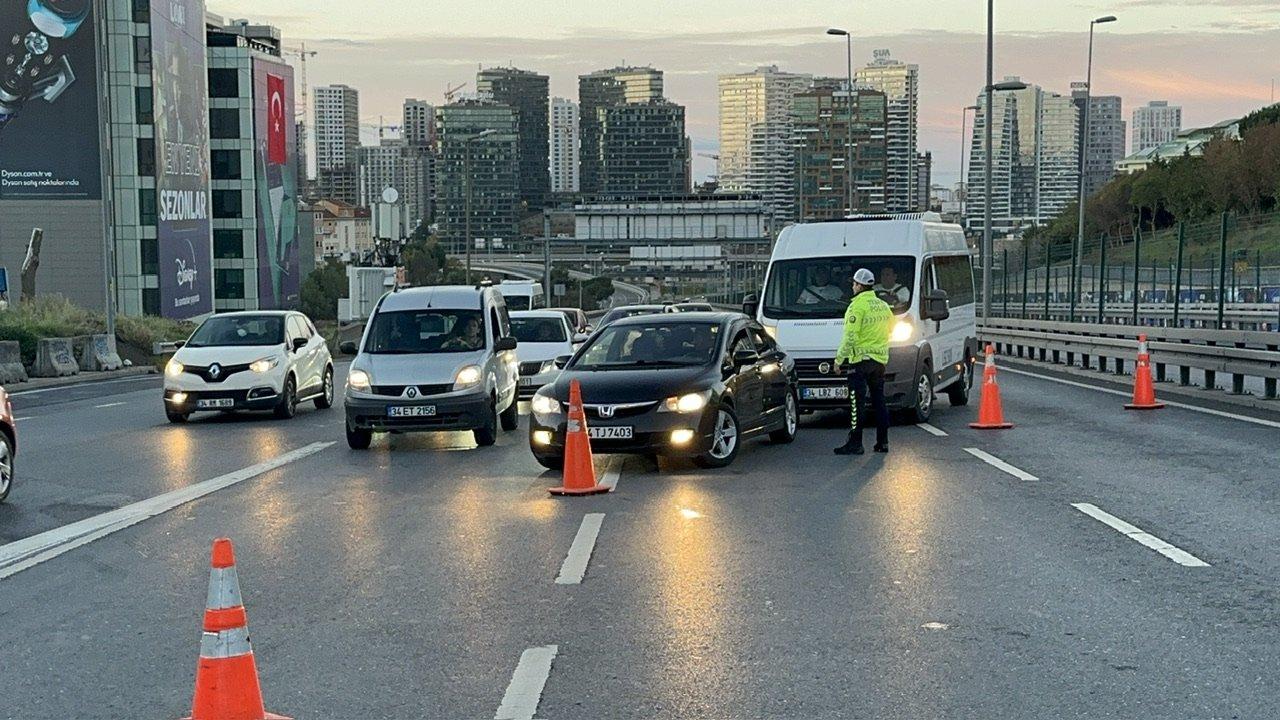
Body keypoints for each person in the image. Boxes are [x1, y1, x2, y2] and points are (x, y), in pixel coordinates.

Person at [833, 268, 894, 455]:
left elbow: (850, 336)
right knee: (879, 402)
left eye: (854, 283)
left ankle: (855, 443)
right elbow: (891, 327)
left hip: (859, 362)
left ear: (859, 285)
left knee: (856, 403)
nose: (852, 286)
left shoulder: (856, 306)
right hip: (879, 361)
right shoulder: (882, 306)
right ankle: (883, 442)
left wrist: (839, 359)